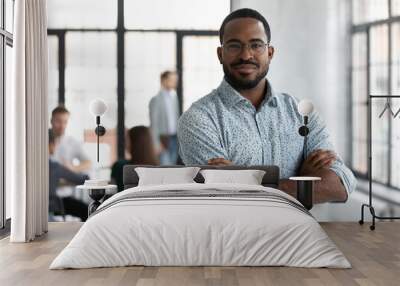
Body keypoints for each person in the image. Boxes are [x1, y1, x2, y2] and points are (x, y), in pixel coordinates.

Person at [177, 8, 356, 204]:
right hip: (233, 235)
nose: (246, 55)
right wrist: (302, 182)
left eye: (256, 45)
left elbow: (342, 184)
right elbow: (224, 196)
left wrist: (242, 183)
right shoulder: (198, 119)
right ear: (220, 54)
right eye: (234, 46)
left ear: (270, 53)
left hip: (297, 234)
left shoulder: (301, 112)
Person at [49, 129, 89, 222]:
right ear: (51, 145)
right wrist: (72, 168)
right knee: (87, 210)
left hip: (41, 207)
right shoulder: (54, 166)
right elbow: (83, 179)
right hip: (55, 204)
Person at [111, 126, 159, 192]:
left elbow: (112, 192)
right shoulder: (157, 169)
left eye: (127, 140)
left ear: (135, 143)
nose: (124, 143)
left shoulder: (120, 167)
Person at [149, 71, 180, 165]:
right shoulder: (156, 100)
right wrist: (156, 144)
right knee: (165, 167)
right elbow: (153, 123)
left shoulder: (174, 97)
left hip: (174, 138)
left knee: (173, 167)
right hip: (163, 139)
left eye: (176, 80)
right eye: (172, 80)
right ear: (163, 80)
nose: (175, 82)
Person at [50, 106, 91, 173]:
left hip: (65, 180)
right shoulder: (42, 140)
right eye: (58, 121)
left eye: (65, 122)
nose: (62, 126)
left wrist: (73, 168)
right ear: (51, 121)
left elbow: (88, 163)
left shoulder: (71, 142)